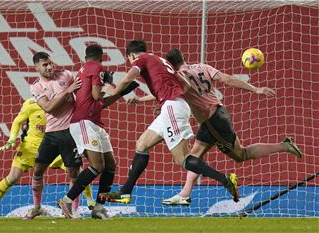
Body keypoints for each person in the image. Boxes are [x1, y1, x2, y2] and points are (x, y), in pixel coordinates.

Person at [98, 40, 240, 204]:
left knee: (183, 159)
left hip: (172, 107)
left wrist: (114, 90)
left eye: (130, 59)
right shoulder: (160, 60)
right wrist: (167, 99)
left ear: (131, 55)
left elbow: (128, 78)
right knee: (142, 144)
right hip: (170, 106)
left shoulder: (141, 59)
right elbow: (185, 85)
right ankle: (125, 192)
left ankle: (226, 180)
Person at [159, 48, 302, 205]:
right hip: (215, 116)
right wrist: (255, 89)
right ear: (183, 57)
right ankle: (185, 194)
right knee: (194, 156)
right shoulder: (202, 67)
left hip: (214, 122)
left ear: (171, 65)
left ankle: (284, 145)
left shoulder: (178, 77)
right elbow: (227, 79)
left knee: (242, 154)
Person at [57, 44, 139, 219]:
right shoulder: (96, 67)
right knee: (98, 166)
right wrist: (111, 85)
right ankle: (67, 200)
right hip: (83, 123)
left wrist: (118, 93)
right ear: (101, 57)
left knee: (110, 166)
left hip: (94, 122)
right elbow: (96, 95)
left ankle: (99, 207)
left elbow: (99, 103)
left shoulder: (85, 70)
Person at [0, 98, 95, 217]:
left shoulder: (62, 102)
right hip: (30, 147)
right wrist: (11, 139)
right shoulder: (31, 104)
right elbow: (17, 121)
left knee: (77, 173)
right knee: (13, 177)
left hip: (54, 145)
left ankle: (82, 204)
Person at [27, 51, 86, 219]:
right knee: (37, 171)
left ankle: (72, 209)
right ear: (36, 67)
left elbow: (81, 93)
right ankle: (37, 207)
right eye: (45, 65)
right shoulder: (36, 86)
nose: (49, 67)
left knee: (74, 173)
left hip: (69, 132)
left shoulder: (66, 75)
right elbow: (48, 107)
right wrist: (67, 91)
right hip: (51, 134)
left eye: (50, 63)